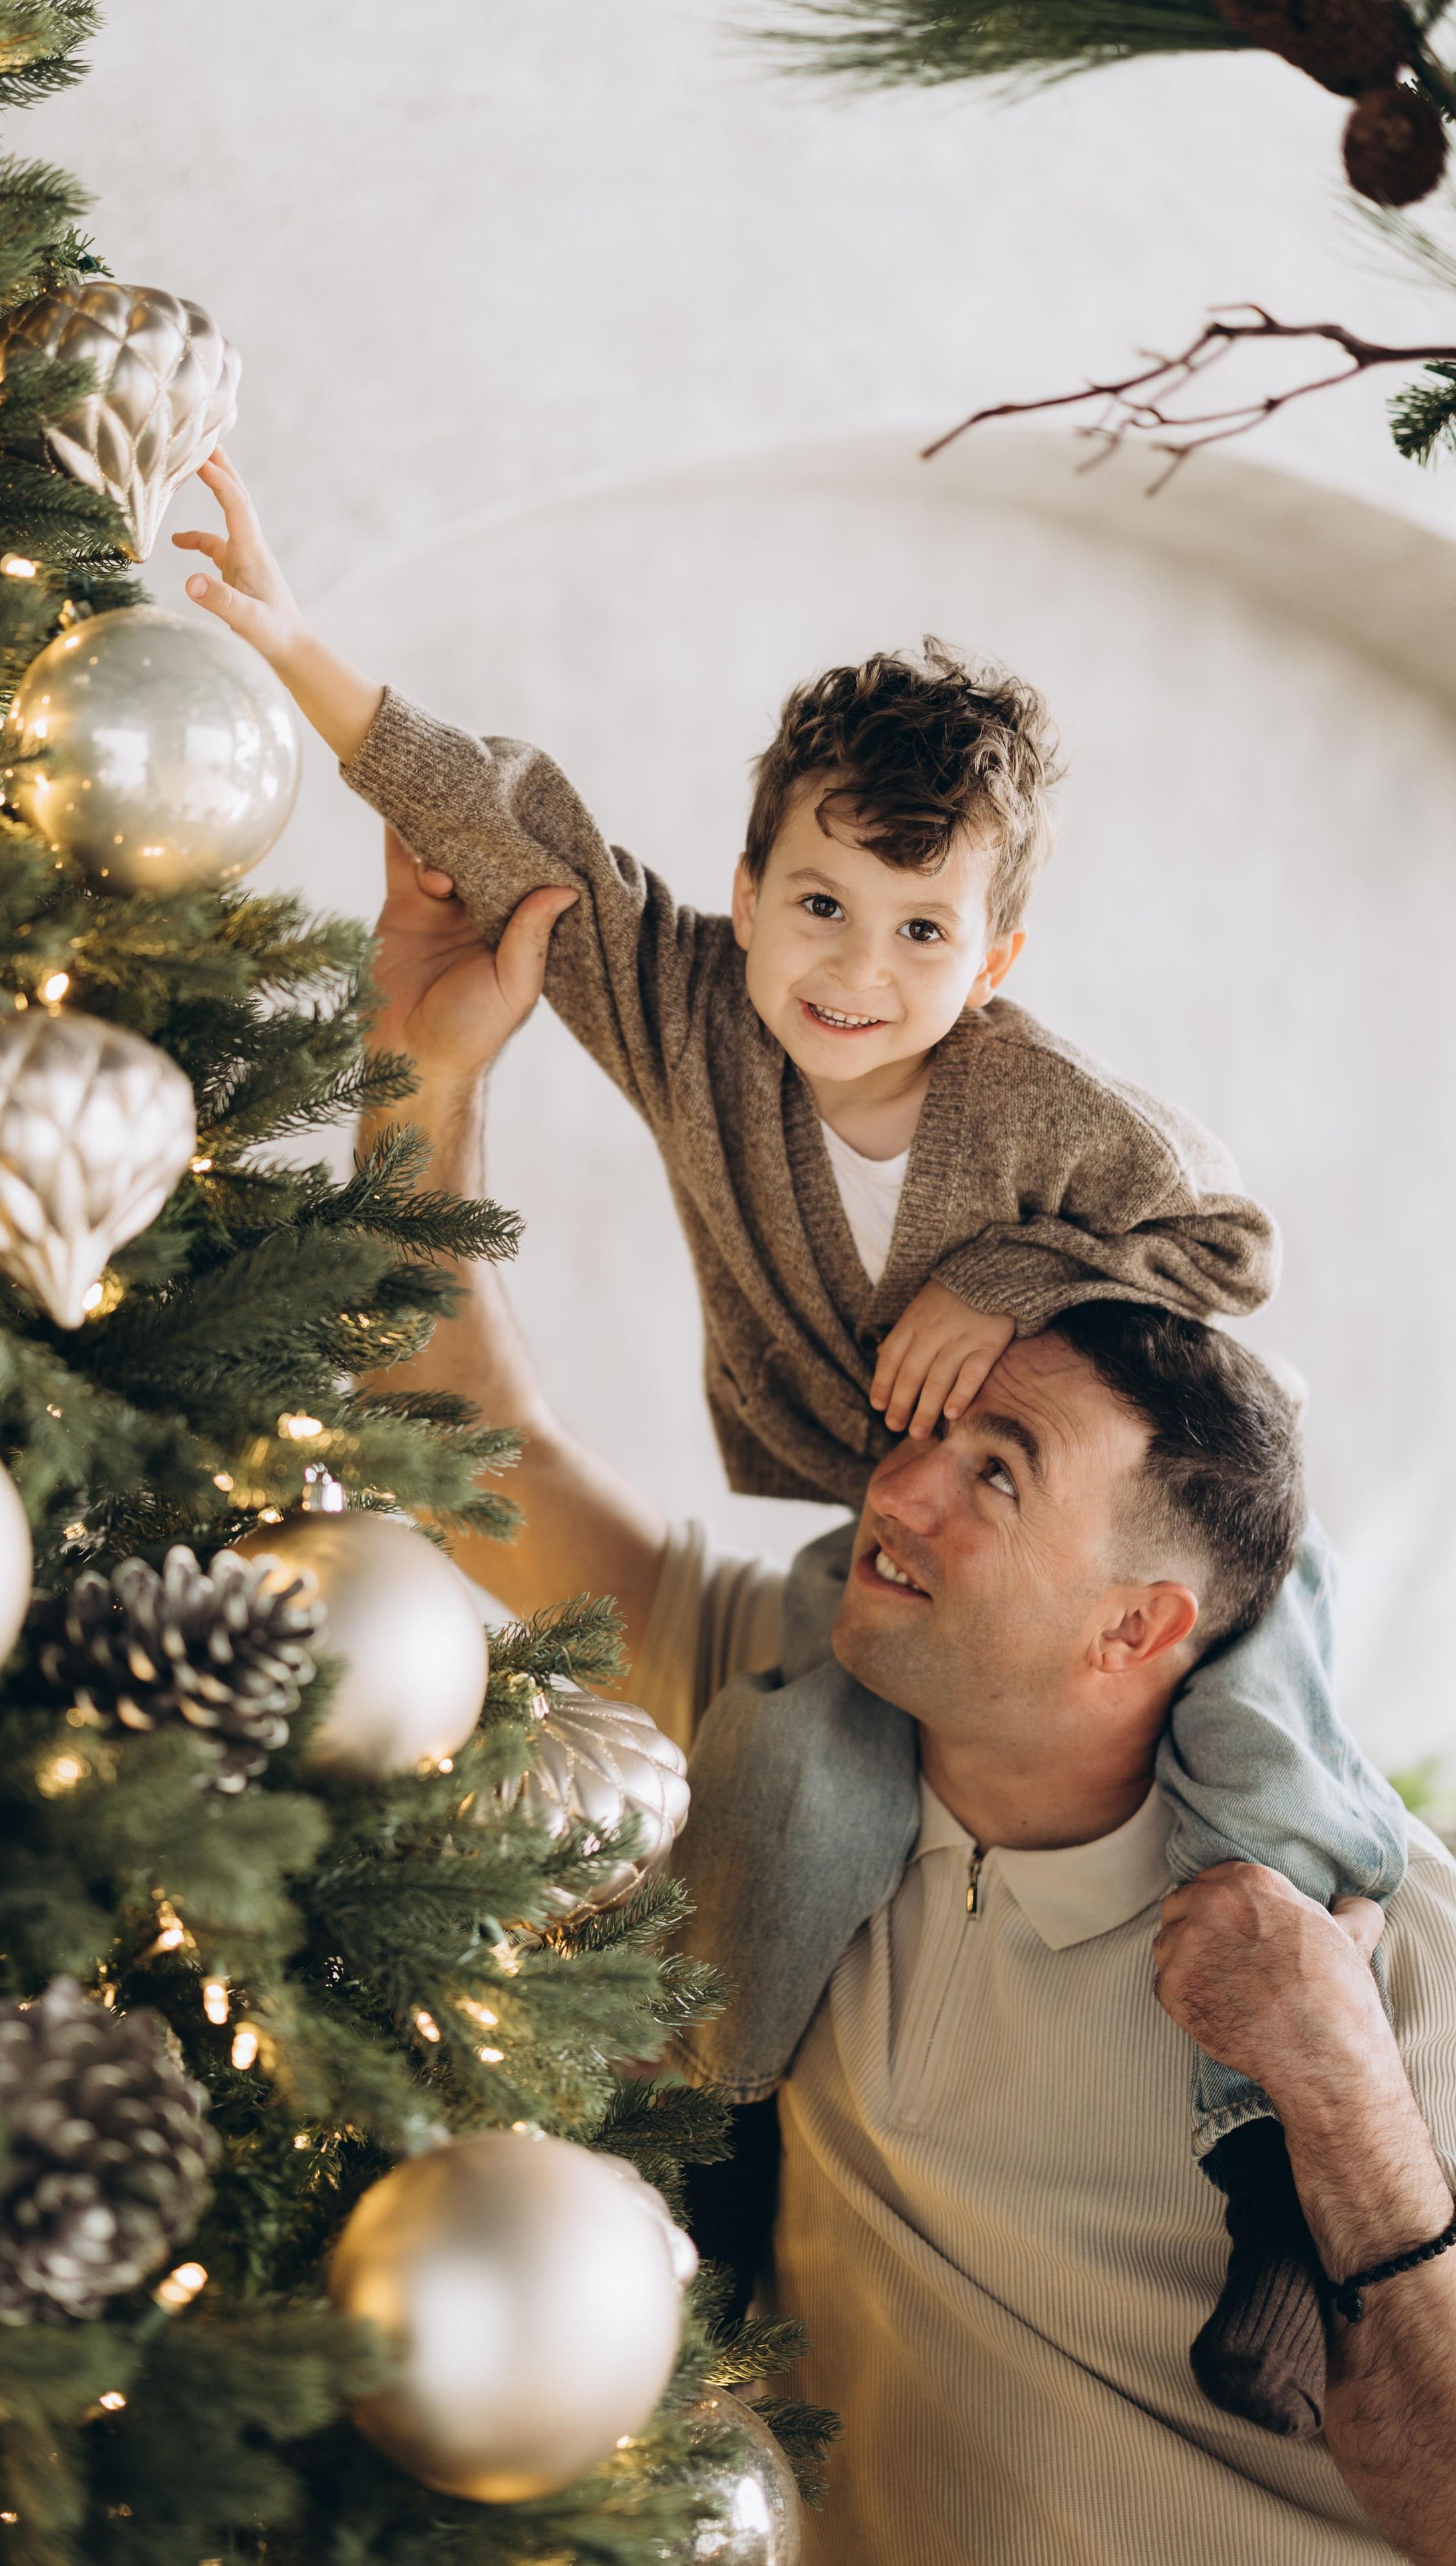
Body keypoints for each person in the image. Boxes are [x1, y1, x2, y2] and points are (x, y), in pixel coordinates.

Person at [172, 452, 1403, 2432]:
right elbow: (520, 834)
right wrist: (302, 652)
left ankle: (1269, 2183)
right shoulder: (700, 1032)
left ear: (993, 963)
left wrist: (1004, 1276)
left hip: (1192, 1546)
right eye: (818, 905)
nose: (857, 971)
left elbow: (1225, 1250)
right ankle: (720, 2142)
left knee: (1267, 1792)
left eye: (922, 932)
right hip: (881, 1545)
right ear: (743, 899)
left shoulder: (1045, 1111)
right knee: (783, 1793)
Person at [314, 846, 1456, 2566]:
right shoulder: (788, 1709)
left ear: (1136, 1626)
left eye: (996, 1472)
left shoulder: (1383, 1950)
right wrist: (422, 1067)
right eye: (926, 1430)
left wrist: (1340, 2095)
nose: (894, 1489)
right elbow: (466, 1438)